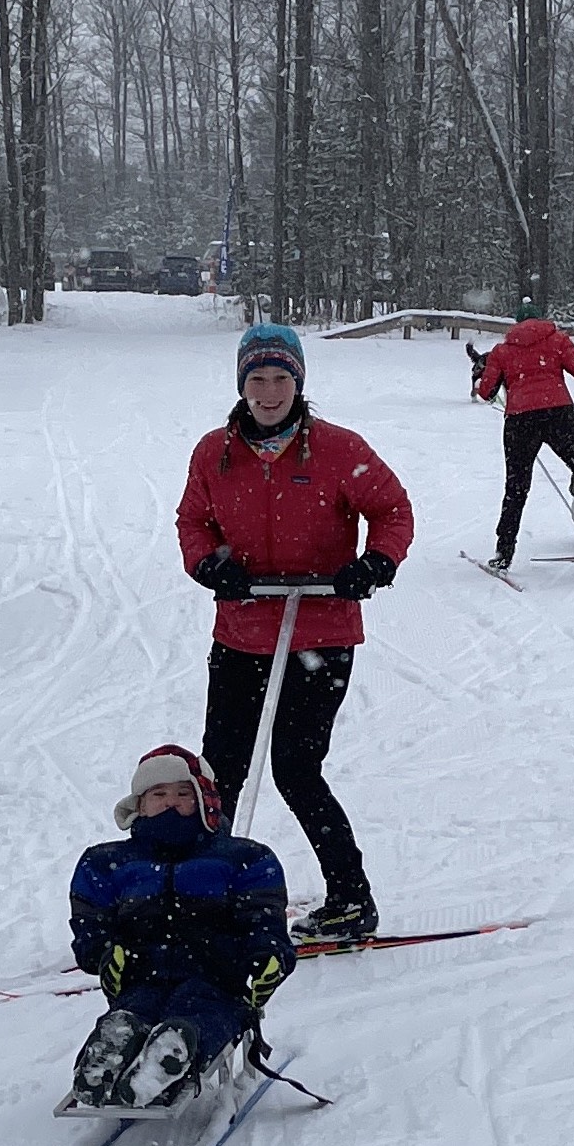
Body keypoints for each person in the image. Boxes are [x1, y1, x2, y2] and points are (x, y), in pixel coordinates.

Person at [176, 323, 415, 942]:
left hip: (321, 631)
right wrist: (209, 565)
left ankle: (350, 898)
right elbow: (192, 520)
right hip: (241, 629)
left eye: (281, 378)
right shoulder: (214, 453)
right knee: (220, 769)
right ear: (241, 384)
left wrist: (375, 563)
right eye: (257, 378)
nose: (270, 390)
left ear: (299, 381)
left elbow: (392, 509)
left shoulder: (337, 448)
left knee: (295, 768)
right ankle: (207, 893)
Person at [67, 746, 296, 1109]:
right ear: (139, 805)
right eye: (158, 794)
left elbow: (264, 916)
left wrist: (269, 954)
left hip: (216, 976)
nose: (170, 802)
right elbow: (90, 923)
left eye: (182, 793)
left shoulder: (244, 858)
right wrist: (102, 953)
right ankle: (108, 1054)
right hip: (141, 974)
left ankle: (175, 1051)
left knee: (205, 1012)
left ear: (204, 801)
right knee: (132, 1012)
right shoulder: (107, 862)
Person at [473, 300, 574, 571]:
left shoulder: (502, 351)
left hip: (520, 420)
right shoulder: (557, 340)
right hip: (559, 413)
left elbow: (486, 392)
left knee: (517, 487)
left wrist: (480, 375)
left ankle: (503, 551)